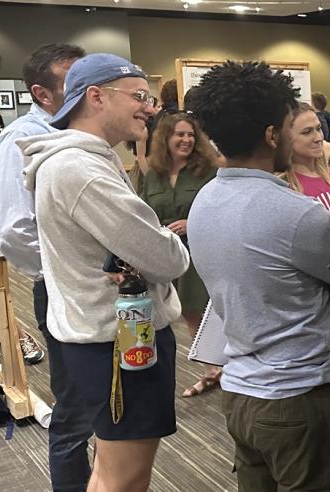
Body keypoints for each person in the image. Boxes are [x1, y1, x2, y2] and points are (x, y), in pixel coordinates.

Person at [19, 53, 190, 492]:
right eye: (138, 96)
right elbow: (169, 259)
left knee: (109, 468)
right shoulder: (82, 170)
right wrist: (163, 243)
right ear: (96, 97)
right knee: (123, 477)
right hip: (119, 344)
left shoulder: (83, 162)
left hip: (105, 339)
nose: (150, 107)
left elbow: (111, 246)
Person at [185, 60, 330, 492]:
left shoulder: (205, 200)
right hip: (301, 396)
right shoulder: (297, 215)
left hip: (240, 391)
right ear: (271, 135)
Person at [0, 42, 93, 492]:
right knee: (75, 410)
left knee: (111, 400)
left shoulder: (77, 131)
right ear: (41, 92)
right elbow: (15, 229)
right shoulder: (22, 138)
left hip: (96, 289)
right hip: (61, 288)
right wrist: (67, 266)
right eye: (74, 81)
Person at [140, 112, 219, 397]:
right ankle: (213, 368)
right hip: (166, 253)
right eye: (180, 135)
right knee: (179, 311)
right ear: (166, 139)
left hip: (202, 247)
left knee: (203, 308)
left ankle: (221, 367)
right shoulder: (152, 174)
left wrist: (192, 221)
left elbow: (222, 208)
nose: (186, 140)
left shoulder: (209, 170)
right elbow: (142, 209)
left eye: (190, 135)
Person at [287, 103, 330, 239]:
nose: (318, 137)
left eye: (318, 129)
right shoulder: (284, 185)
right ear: (287, 138)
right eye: (307, 132)